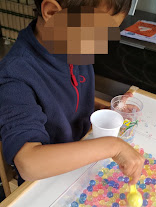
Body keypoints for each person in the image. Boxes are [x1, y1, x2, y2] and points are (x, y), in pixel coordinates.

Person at [0, 0, 144, 186]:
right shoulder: (15, 76)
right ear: (52, 13)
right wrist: (113, 146)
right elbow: (28, 164)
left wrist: (101, 110)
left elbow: (67, 98)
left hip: (83, 166)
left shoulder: (73, 48)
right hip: (46, 183)